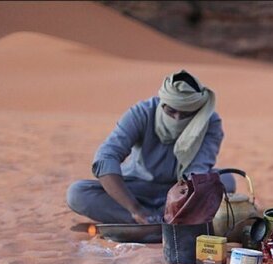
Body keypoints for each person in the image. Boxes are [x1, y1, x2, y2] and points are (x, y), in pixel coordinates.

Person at [67, 69, 235, 224]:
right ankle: (156, 222)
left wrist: (177, 203)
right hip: (135, 189)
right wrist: (134, 208)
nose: (176, 119)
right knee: (78, 193)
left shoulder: (209, 122)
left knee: (227, 181)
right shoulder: (142, 113)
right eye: (171, 111)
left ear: (197, 111)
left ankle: (157, 223)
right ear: (162, 104)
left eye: (185, 114)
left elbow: (196, 173)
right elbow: (106, 157)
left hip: (179, 191)